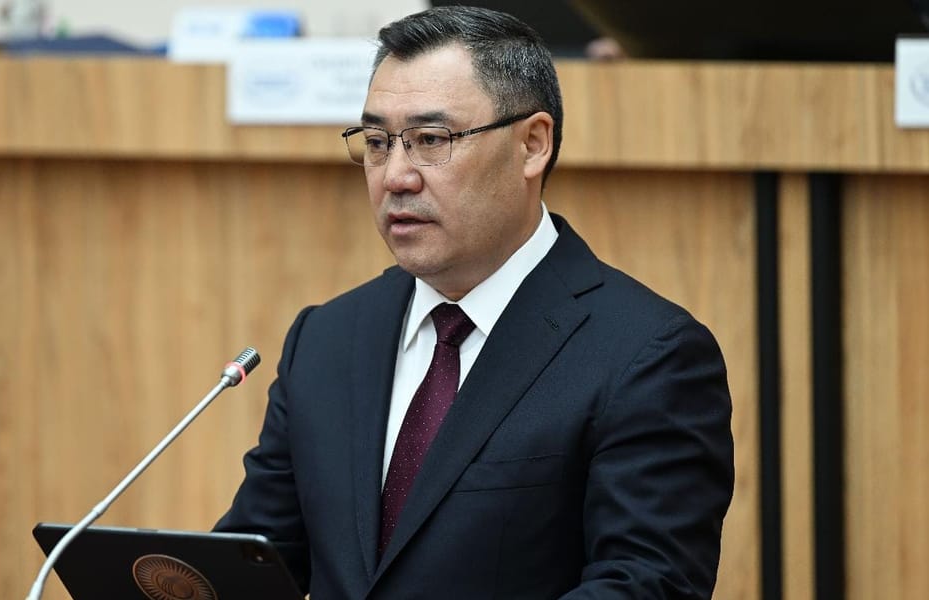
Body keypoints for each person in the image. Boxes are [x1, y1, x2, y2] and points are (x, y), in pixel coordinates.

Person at [216, 6, 734, 599]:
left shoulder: (647, 354)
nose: (396, 177)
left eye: (431, 141)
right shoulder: (327, 338)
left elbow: (646, 584)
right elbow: (255, 563)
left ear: (532, 145)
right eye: (379, 143)